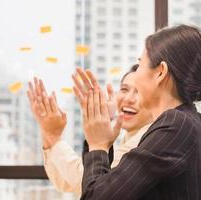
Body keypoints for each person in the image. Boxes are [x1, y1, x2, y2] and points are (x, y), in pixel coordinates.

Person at [73, 25, 201, 200]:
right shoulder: (187, 123)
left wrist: (98, 145)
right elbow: (114, 188)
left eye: (140, 65)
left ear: (161, 72)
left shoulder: (177, 125)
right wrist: (102, 144)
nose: (135, 74)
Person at [26, 64, 153, 195]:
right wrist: (47, 129)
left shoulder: (149, 139)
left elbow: (86, 183)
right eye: (124, 89)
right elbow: (64, 183)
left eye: (139, 92)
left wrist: (54, 136)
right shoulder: (126, 137)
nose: (128, 99)